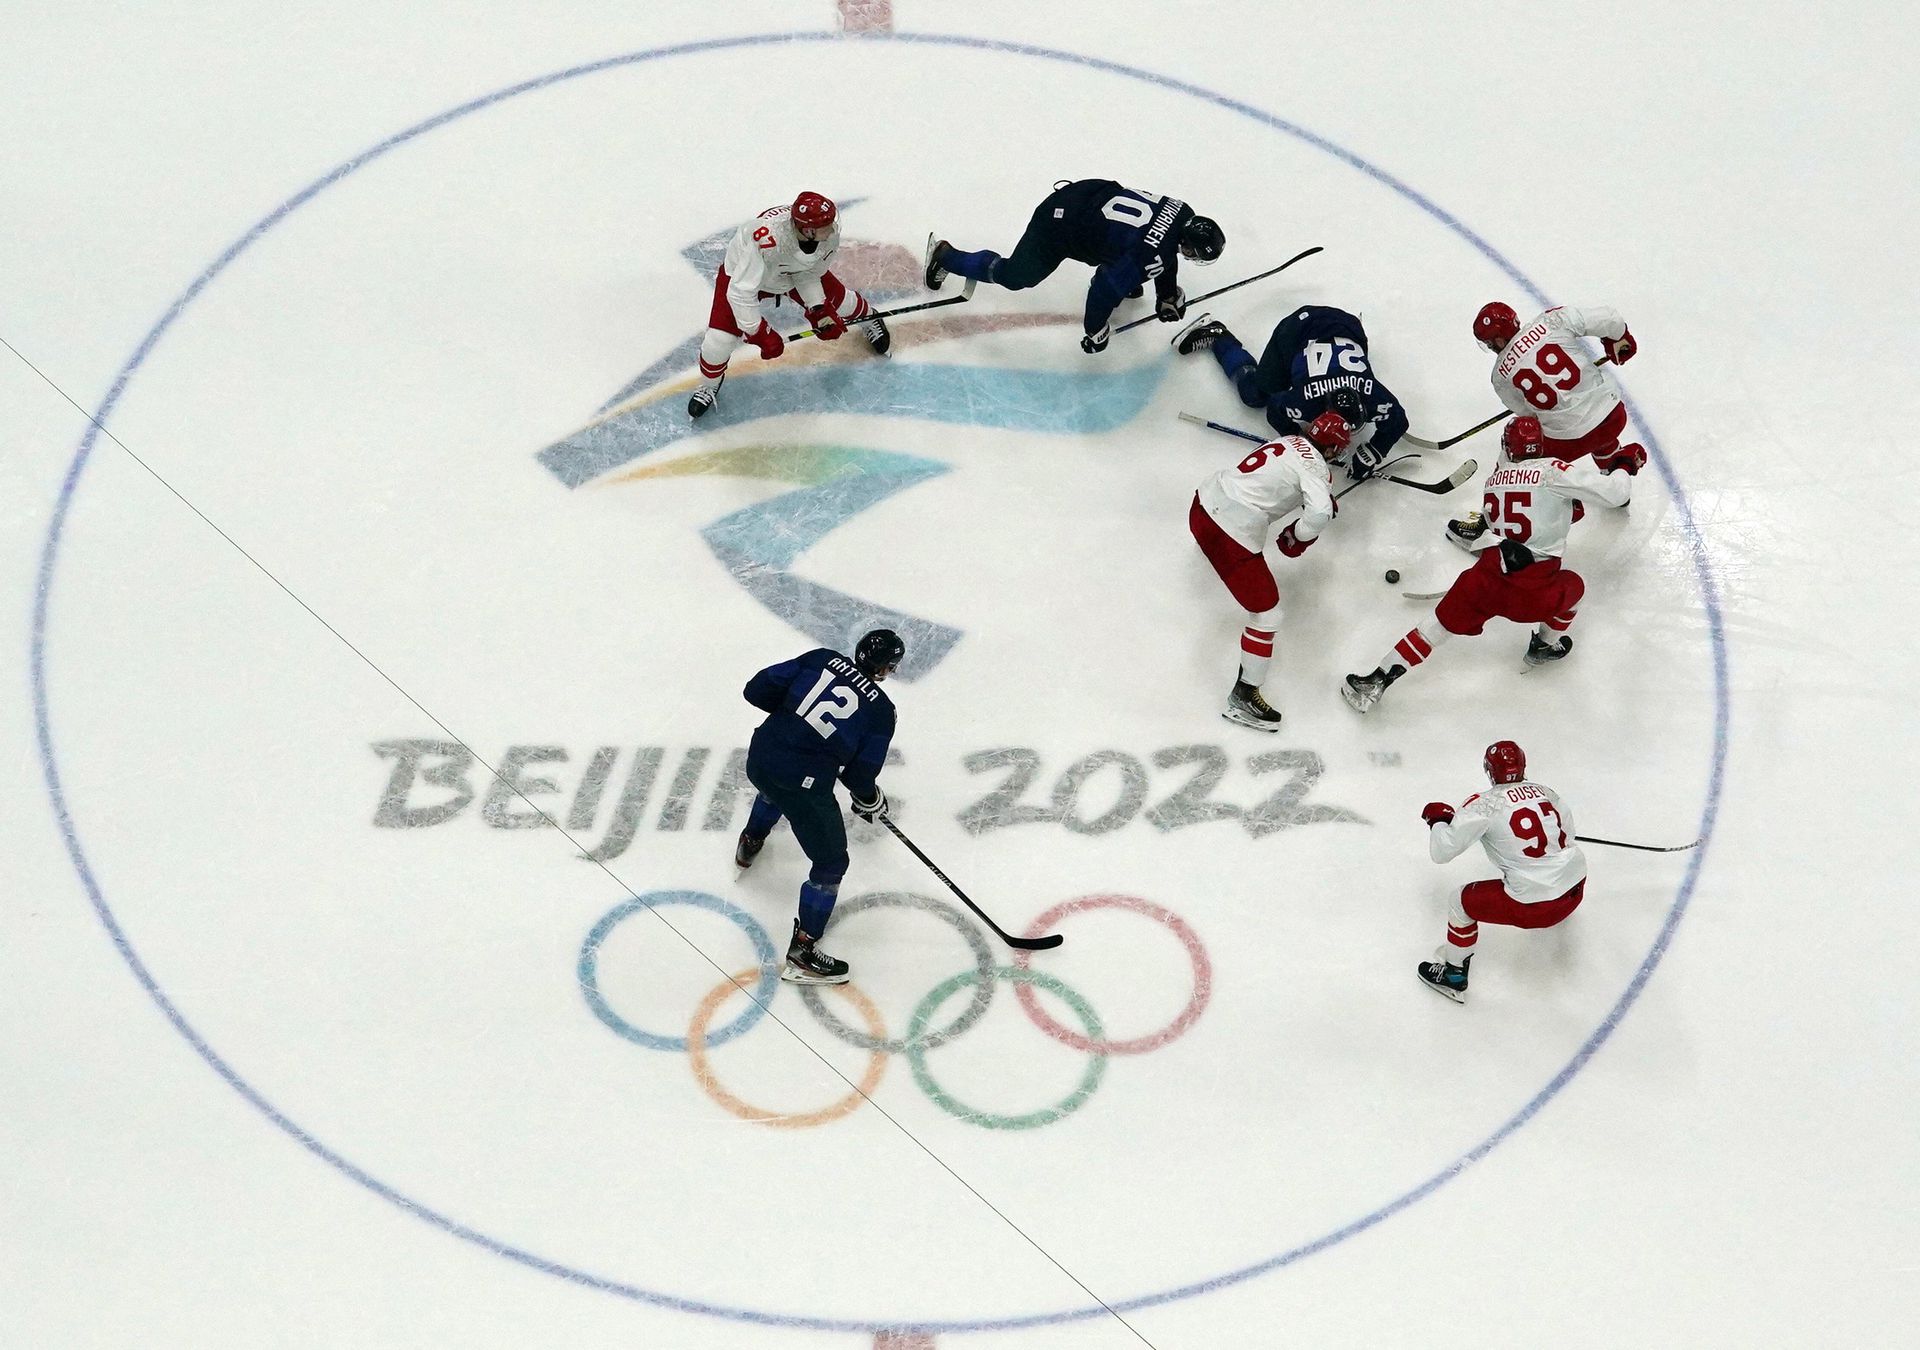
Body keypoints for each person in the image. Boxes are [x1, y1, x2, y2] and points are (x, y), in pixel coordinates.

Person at [1340, 415, 1645, 713]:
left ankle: (1375, 680)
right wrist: (1624, 464)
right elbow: (1616, 494)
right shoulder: (1552, 470)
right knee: (1574, 589)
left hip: (1484, 577)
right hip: (1531, 590)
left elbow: (1513, 510)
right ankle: (1543, 645)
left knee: (1434, 628)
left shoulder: (1493, 480)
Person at [734, 629, 904, 983]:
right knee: (830, 863)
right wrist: (870, 799)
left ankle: (750, 841)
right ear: (887, 669)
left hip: (760, 757)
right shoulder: (881, 711)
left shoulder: (821, 658)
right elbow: (859, 776)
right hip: (801, 783)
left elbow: (756, 689)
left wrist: (792, 724)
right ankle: (803, 952)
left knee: (775, 788)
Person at [924, 179, 1224, 354]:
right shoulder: (1151, 254)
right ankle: (947, 257)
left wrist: (1167, 295)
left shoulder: (1183, 211)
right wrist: (1095, 330)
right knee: (1015, 276)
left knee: (1130, 263)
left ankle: (1126, 275)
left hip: (1086, 196)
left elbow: (1163, 247)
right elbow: (1102, 293)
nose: (1189, 257)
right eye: (1193, 253)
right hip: (1059, 225)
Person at [1190, 410, 1353, 729]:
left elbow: (1278, 480)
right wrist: (1298, 535)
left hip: (1200, 508)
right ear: (1332, 448)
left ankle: (1212, 552)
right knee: (1268, 614)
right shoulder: (1317, 468)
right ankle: (1244, 697)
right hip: (1230, 535)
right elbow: (1318, 514)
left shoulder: (1288, 441)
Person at [688, 192, 890, 419]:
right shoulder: (763, 242)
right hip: (744, 277)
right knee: (718, 342)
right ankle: (708, 384)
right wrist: (759, 332)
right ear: (808, 230)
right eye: (825, 226)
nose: (832, 229)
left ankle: (870, 317)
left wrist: (818, 310)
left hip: (790, 274)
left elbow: (810, 272)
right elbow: (740, 292)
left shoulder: (826, 237)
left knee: (842, 304)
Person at [1415, 740, 1588, 1002]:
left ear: (1489, 770)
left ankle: (1453, 975)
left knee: (1458, 901)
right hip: (1575, 891)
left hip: (1535, 906)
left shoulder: (1484, 804)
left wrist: (1438, 821)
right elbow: (1569, 835)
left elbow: (1441, 852)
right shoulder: (1547, 792)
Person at [1175, 304, 1409, 478]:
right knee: (1255, 394)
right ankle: (1217, 335)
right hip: (1298, 329)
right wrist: (1298, 440)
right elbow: (1275, 410)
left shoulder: (1373, 398)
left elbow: (1398, 421)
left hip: (1347, 327)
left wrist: (1374, 451)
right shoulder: (1302, 401)